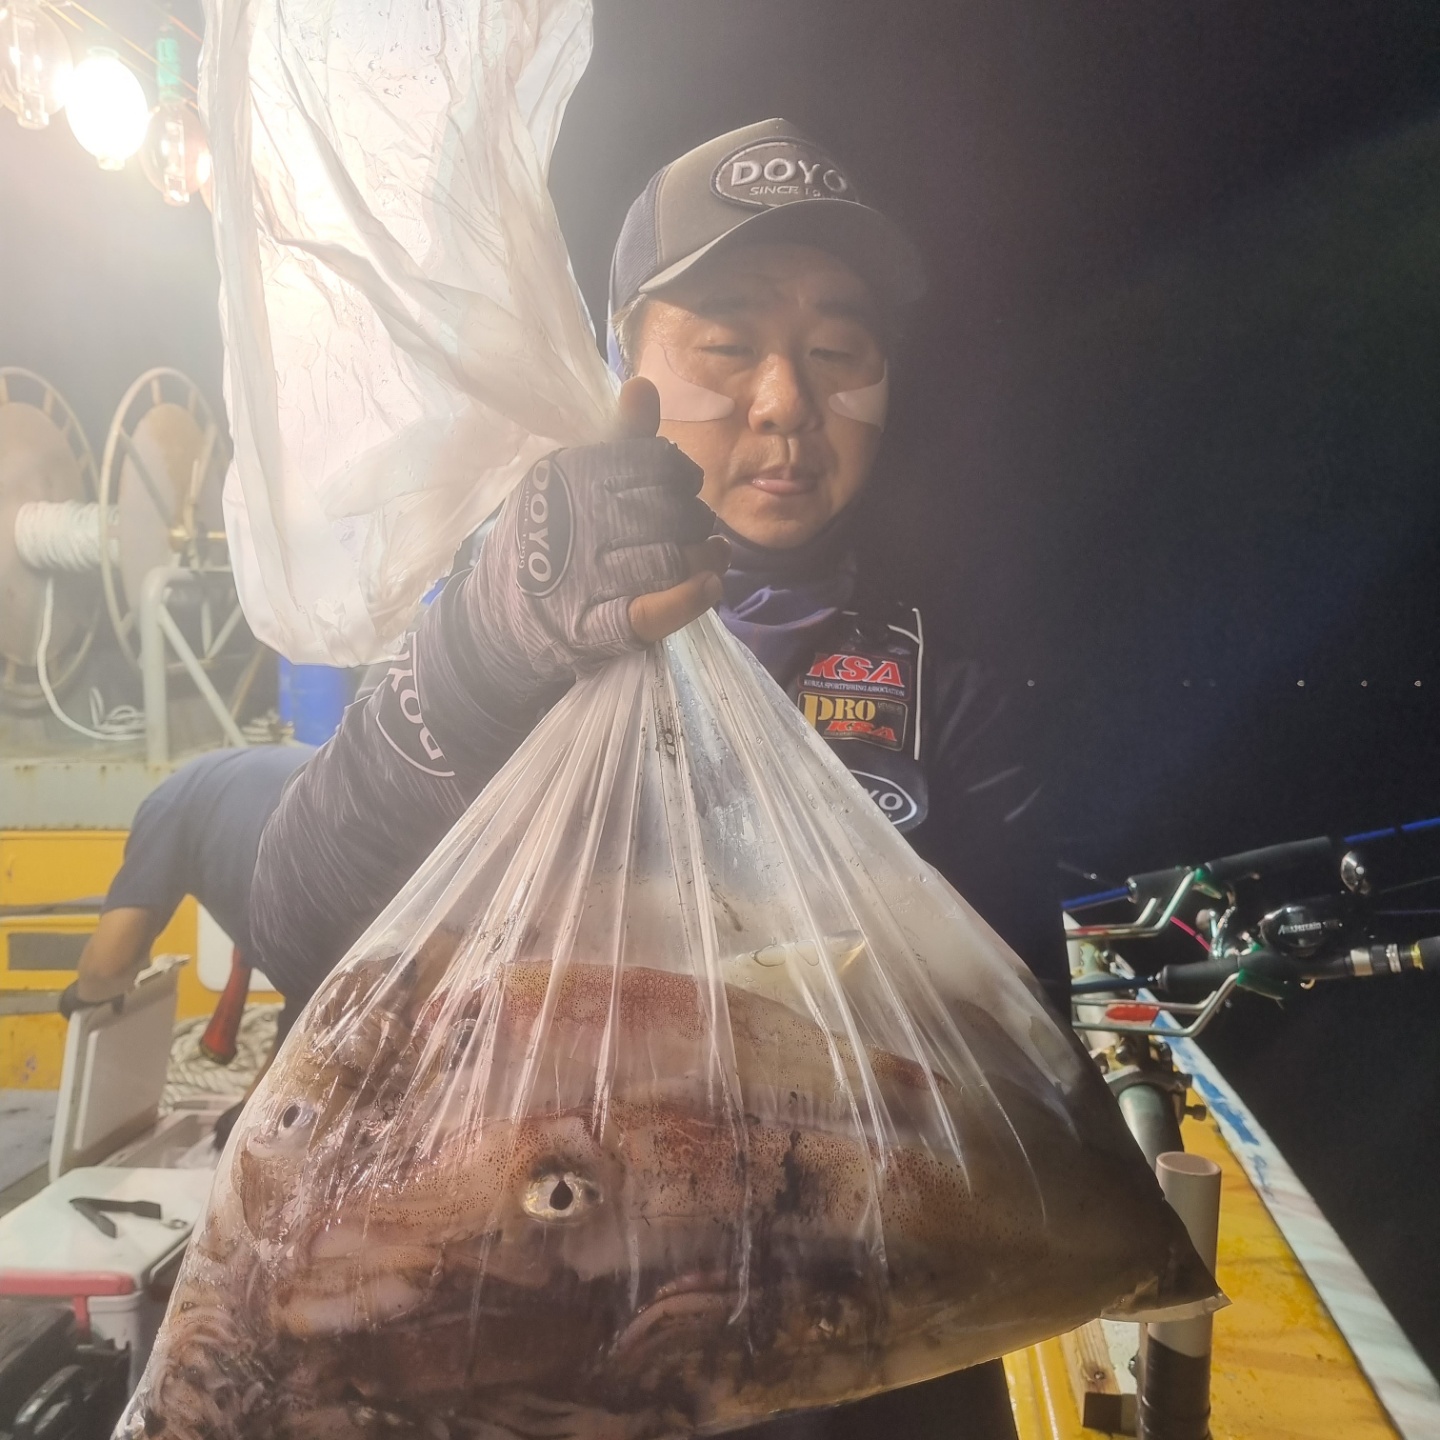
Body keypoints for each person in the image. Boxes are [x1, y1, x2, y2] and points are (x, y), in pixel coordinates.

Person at [246, 116, 1066, 1439]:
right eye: (728, 343)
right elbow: (296, 926)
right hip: (523, 1346)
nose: (786, 402)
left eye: (839, 352)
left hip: (831, 1368)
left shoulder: (945, 688)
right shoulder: (520, 625)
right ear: (624, 357)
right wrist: (476, 659)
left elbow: (1023, 1082)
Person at [60, 743, 313, 1040]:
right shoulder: (232, 787)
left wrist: (78, 998)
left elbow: (108, 966)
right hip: (350, 884)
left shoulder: (168, 808)